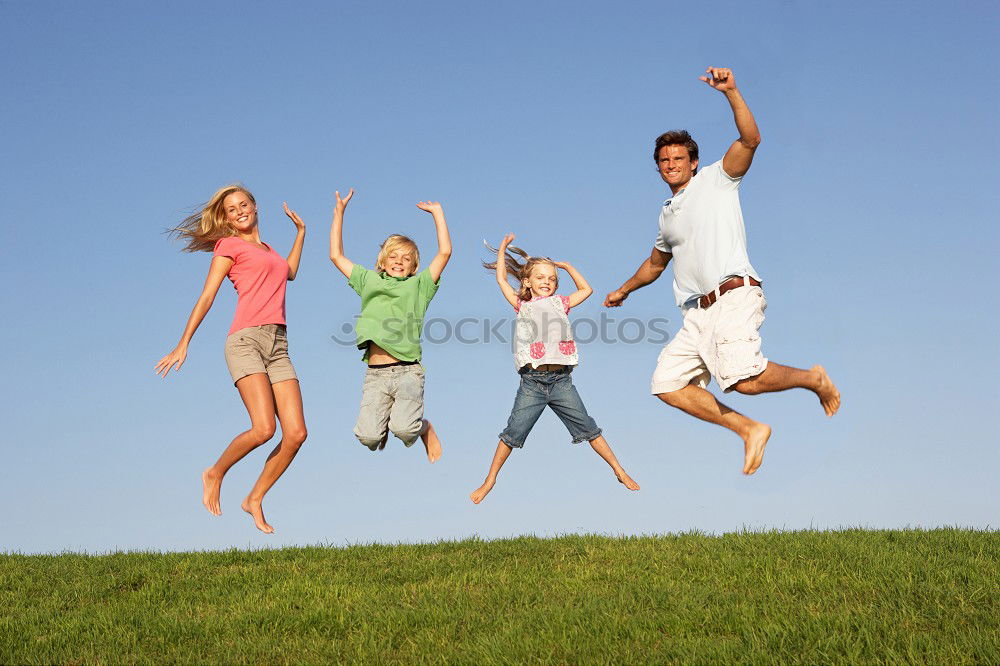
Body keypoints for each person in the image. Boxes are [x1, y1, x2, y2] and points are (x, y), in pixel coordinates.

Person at [605, 67, 841, 475]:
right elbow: (655, 263)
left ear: (693, 162)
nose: (671, 164)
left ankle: (813, 379)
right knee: (666, 384)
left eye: (679, 158)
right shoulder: (667, 216)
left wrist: (731, 92)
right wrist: (624, 290)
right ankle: (749, 429)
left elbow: (751, 139)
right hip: (696, 313)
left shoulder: (718, 179)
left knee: (743, 380)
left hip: (733, 292)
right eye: (664, 161)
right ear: (658, 168)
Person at [155, 185, 308, 533]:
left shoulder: (268, 250)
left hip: (278, 344)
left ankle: (254, 498)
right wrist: (184, 342)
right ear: (225, 217)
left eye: (243, 204)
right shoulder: (229, 246)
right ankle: (215, 471)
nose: (239, 211)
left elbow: (290, 272)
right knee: (264, 429)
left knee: (296, 433)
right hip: (246, 341)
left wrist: (300, 233)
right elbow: (207, 295)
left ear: (255, 207)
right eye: (231, 209)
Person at [470, 234, 639, 504]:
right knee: (512, 433)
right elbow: (502, 279)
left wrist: (568, 267)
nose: (547, 282)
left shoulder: (561, 303)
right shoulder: (521, 304)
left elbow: (587, 290)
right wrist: (501, 249)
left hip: (561, 382)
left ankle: (619, 470)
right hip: (532, 383)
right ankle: (489, 481)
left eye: (551, 278)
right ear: (527, 281)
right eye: (540, 277)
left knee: (589, 429)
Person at [328, 189, 450, 462]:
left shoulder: (419, 287)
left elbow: (444, 252)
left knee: (406, 431)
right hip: (375, 374)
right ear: (382, 261)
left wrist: (438, 214)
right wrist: (339, 212)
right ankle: (381, 423)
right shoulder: (368, 281)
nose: (399, 262)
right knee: (368, 438)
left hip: (408, 372)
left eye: (406, 259)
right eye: (394, 256)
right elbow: (336, 255)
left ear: (413, 267)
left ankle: (425, 428)